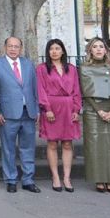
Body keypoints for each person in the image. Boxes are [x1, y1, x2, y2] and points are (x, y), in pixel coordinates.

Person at [0, 37, 41, 194]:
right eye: (10, 46)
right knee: (8, 149)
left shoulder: (28, 64)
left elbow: (34, 88)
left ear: (21, 48)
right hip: (8, 113)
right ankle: (11, 180)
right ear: (5, 47)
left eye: (16, 46)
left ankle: (28, 180)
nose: (13, 49)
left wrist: (37, 109)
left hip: (28, 112)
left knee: (28, 148)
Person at [79, 37, 110, 193]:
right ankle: (99, 178)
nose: (98, 49)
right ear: (90, 51)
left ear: (106, 50)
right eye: (95, 47)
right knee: (95, 145)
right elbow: (86, 92)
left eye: (101, 46)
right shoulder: (84, 68)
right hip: (93, 110)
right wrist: (99, 110)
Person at [36, 39, 82, 192]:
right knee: (52, 143)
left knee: (68, 143)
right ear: (48, 52)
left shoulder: (72, 69)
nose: (54, 51)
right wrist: (46, 108)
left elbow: (76, 90)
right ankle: (55, 176)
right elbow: (40, 90)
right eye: (51, 49)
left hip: (69, 107)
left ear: (63, 51)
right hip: (51, 107)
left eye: (57, 48)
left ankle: (67, 177)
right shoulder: (42, 69)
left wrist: (76, 110)